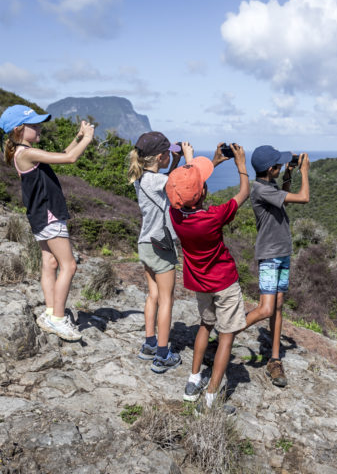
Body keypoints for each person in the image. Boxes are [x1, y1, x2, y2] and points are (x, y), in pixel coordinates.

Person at [165, 143, 250, 410]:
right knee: (226, 335)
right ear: (202, 192)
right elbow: (244, 192)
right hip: (224, 282)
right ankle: (212, 397)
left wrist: (211, 163)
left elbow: (187, 190)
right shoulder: (214, 216)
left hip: (200, 284)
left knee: (205, 325)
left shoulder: (175, 213)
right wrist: (241, 165)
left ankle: (193, 380)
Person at [0, 104, 94, 342]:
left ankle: (52, 311)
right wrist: (88, 139)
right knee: (68, 265)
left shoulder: (23, 152)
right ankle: (58, 318)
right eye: (34, 124)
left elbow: (63, 152)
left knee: (49, 262)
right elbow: (70, 158)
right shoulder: (26, 153)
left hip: (39, 215)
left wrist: (78, 137)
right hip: (50, 215)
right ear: (19, 130)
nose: (39, 126)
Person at [245, 145, 309, 387]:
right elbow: (303, 198)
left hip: (282, 253)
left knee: (278, 306)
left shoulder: (269, 185)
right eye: (279, 166)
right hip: (271, 255)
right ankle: (224, 334)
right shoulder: (261, 190)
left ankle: (274, 359)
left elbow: (284, 202)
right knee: (266, 309)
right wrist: (305, 171)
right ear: (271, 169)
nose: (282, 167)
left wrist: (289, 174)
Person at [127, 131, 183, 373]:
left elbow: (169, 180)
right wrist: (189, 160)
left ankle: (149, 345)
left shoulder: (143, 178)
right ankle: (162, 355)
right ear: (161, 157)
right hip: (161, 246)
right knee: (166, 300)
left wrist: (176, 162)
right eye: (168, 154)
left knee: (153, 296)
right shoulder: (158, 182)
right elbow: (185, 183)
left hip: (145, 244)